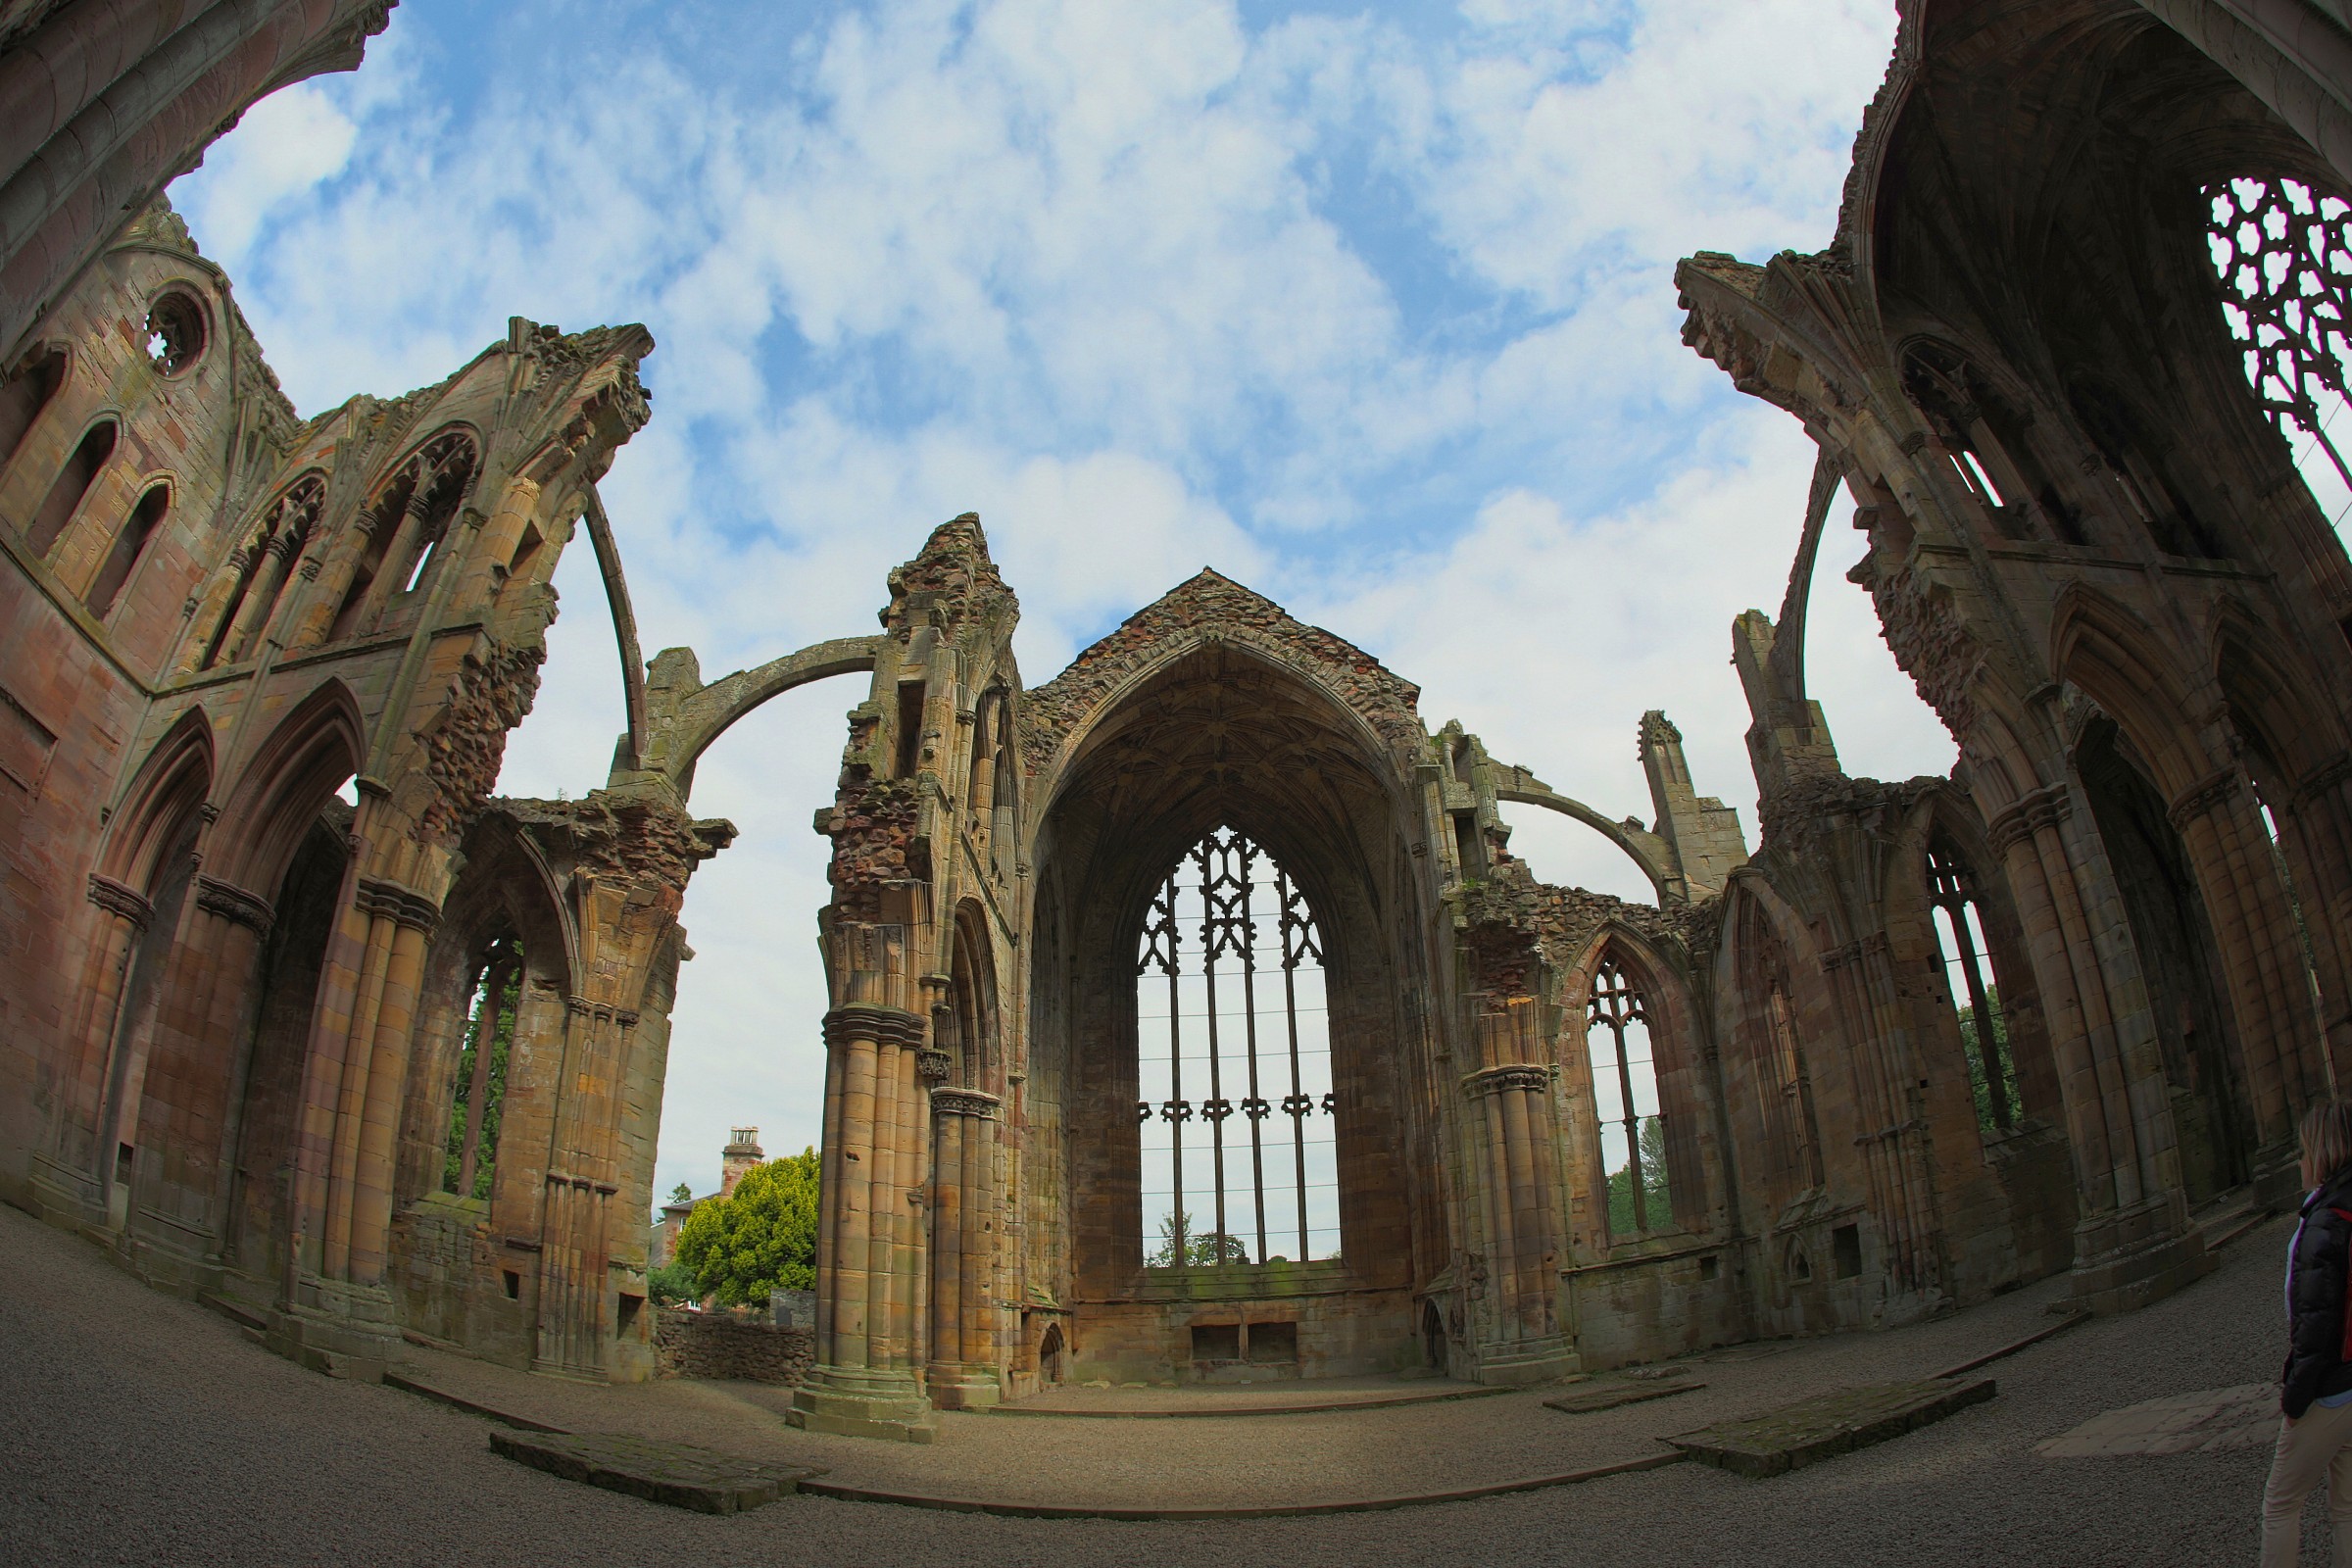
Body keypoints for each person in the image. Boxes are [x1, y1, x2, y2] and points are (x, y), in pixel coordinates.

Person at [2267, 1101, 2352, 1567]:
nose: (2300, 1160)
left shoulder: (2324, 1220)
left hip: (2332, 1386)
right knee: (2347, 1508)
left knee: (2281, 1504)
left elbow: (2317, 1318)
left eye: (2303, 1150)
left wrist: (2296, 1397)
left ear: (2322, 1152)